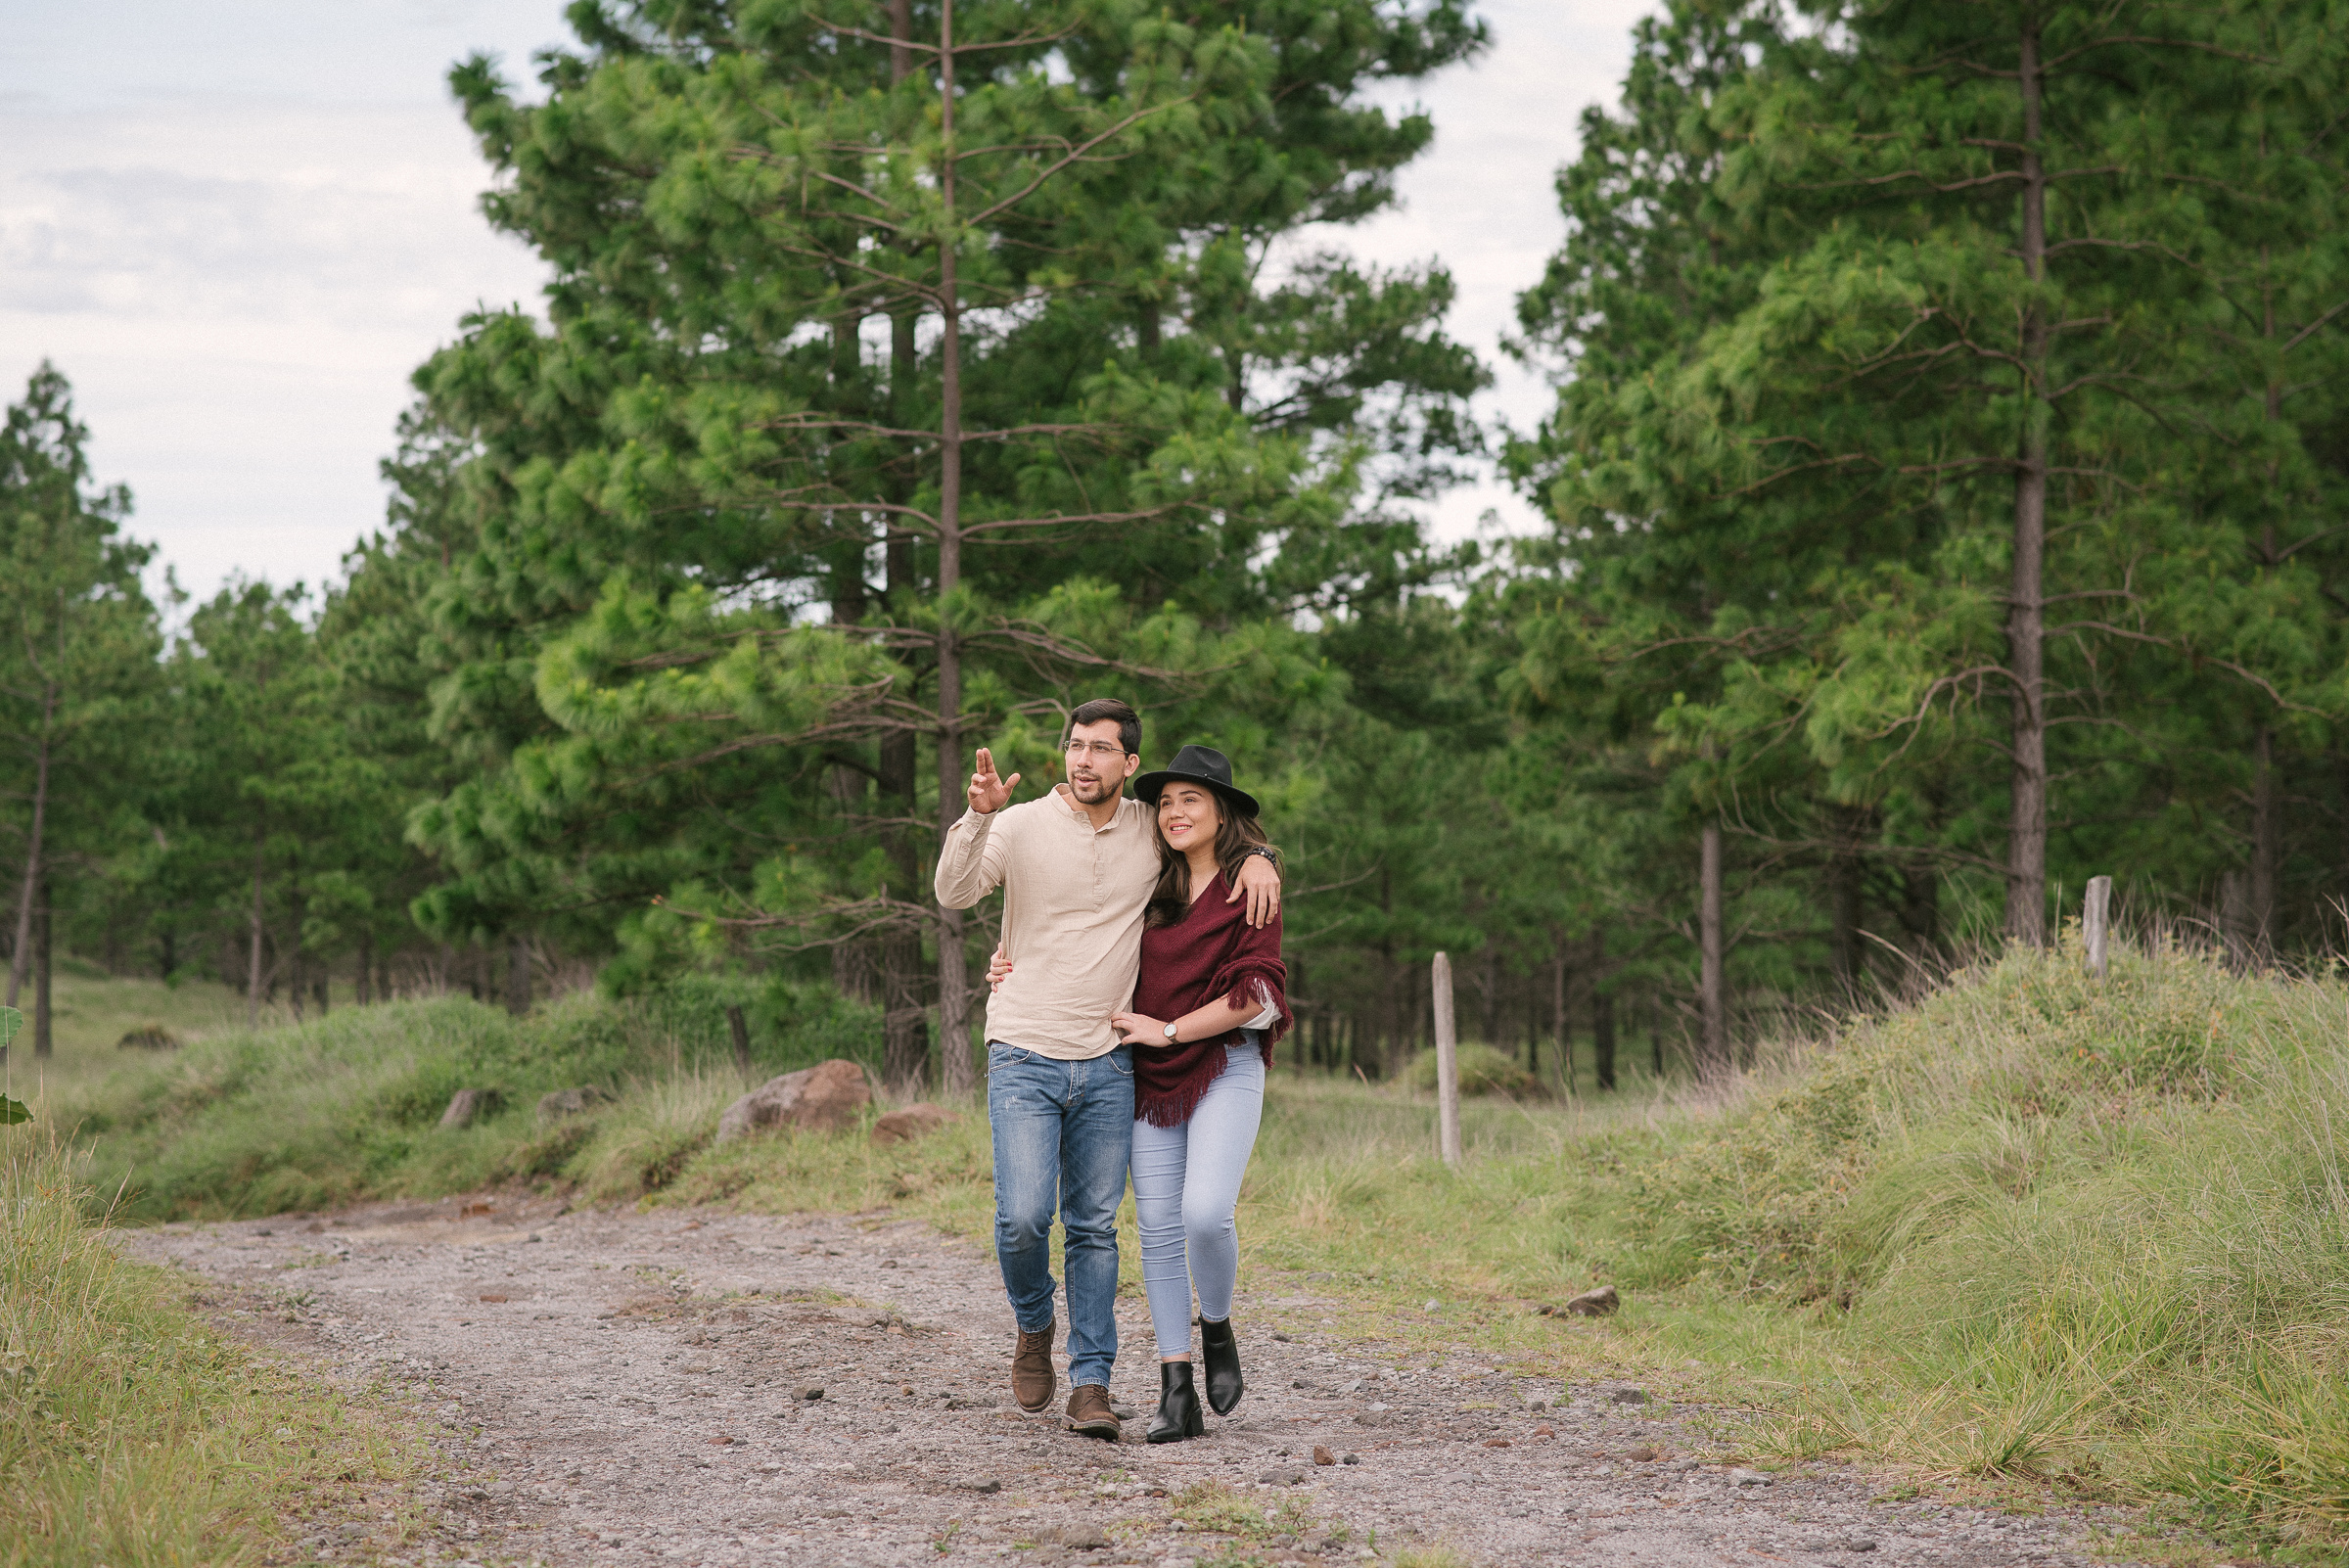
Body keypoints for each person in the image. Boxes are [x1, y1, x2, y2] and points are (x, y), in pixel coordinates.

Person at [934, 699, 1281, 1442]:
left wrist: (1263, 858)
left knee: (1097, 1228)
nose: (1084, 759)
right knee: (1024, 1218)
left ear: (1129, 763)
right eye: (1075, 745)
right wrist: (978, 819)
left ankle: (1093, 1384)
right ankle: (1035, 1325)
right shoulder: (1019, 824)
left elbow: (1214, 845)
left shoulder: (1146, 831)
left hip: (1110, 1061)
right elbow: (954, 893)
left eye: (1101, 748)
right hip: (1025, 1047)